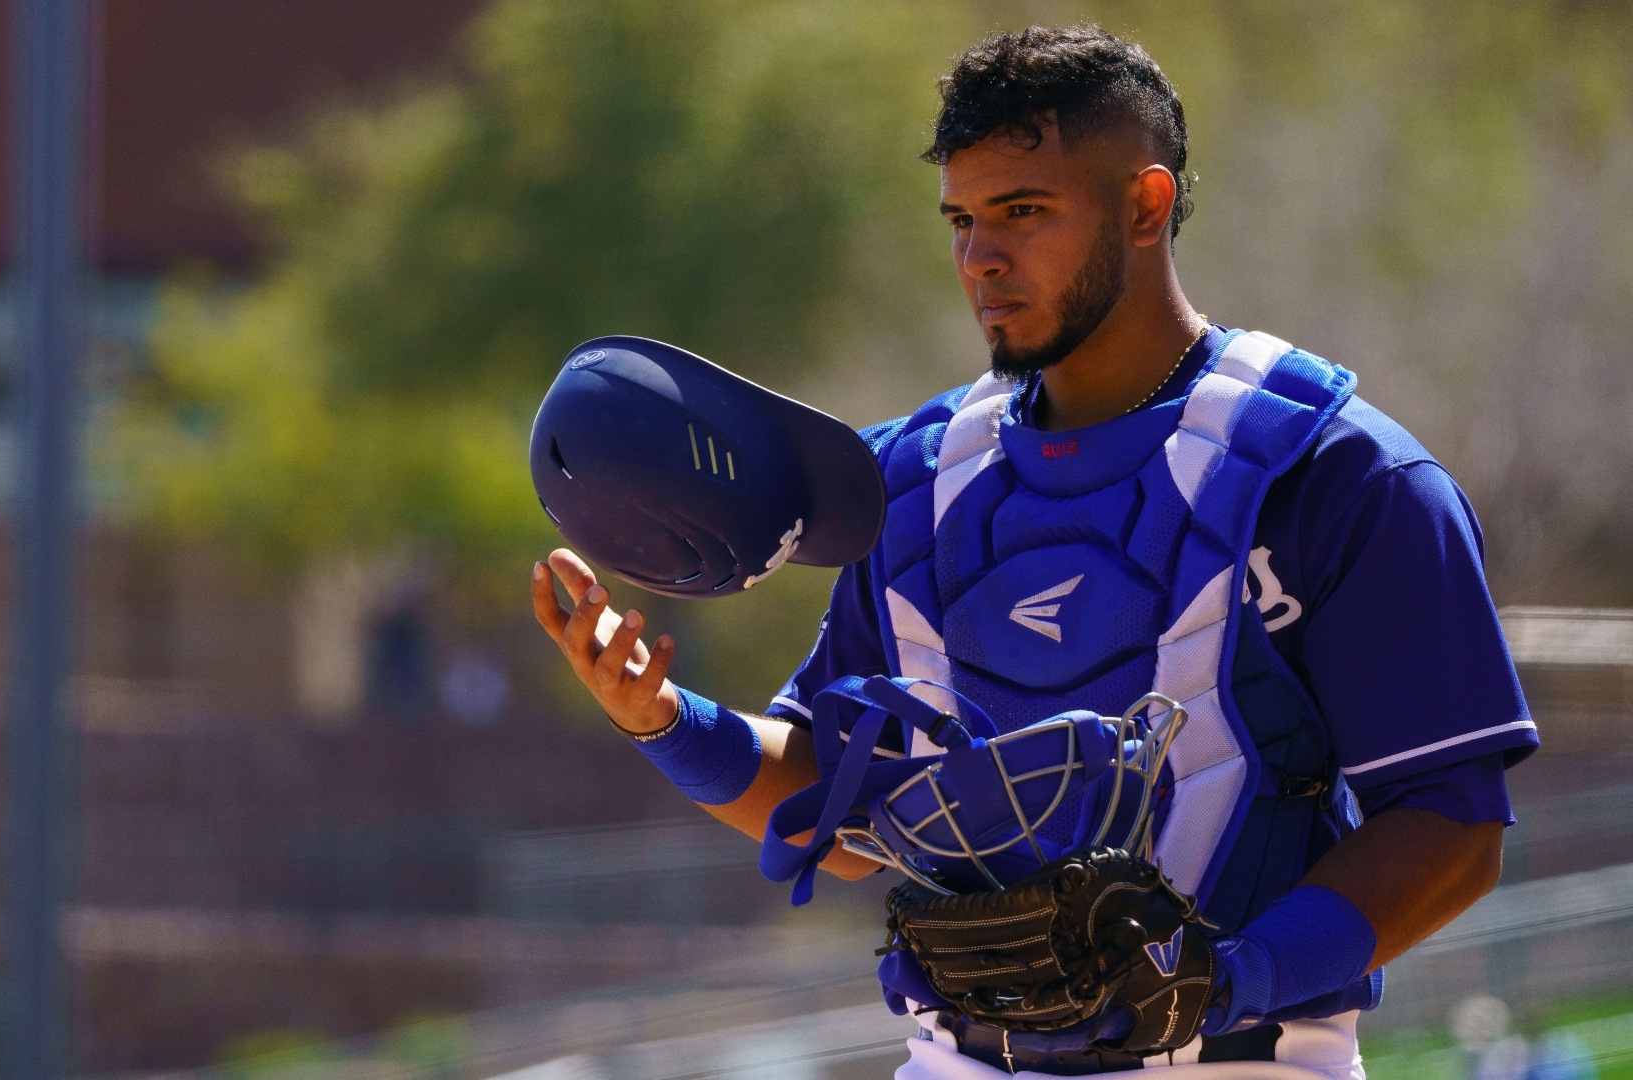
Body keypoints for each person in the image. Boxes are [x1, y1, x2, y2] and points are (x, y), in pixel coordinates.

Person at [531, 24, 1535, 1080]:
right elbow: (839, 805)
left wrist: (1232, 978)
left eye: (1023, 212)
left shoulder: (1341, 477)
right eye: (961, 220)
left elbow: (1452, 824)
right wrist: (662, 720)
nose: (981, 258)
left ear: (1145, 206)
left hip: (1244, 1060)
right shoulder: (917, 486)